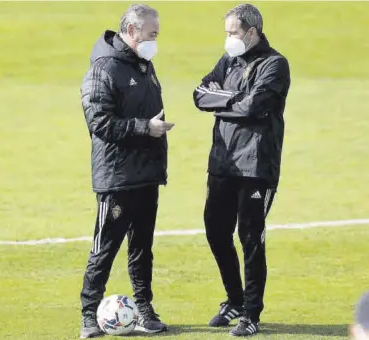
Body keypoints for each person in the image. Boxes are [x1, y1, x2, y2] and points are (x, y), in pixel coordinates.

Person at [193, 3, 290, 337]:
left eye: (233, 33)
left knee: (250, 237)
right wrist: (234, 99)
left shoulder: (275, 64)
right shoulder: (230, 60)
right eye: (227, 32)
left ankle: (251, 313)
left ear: (252, 32)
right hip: (223, 163)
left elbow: (256, 105)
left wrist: (224, 100)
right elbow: (199, 94)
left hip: (256, 167)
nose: (228, 39)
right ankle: (234, 299)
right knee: (215, 231)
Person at [79, 4, 174, 338]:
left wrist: (155, 130)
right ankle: (89, 316)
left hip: (146, 174)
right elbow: (99, 122)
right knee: (105, 247)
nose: (155, 41)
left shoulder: (144, 65)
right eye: (152, 34)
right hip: (117, 177)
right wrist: (144, 128)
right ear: (132, 31)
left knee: (142, 249)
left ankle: (144, 309)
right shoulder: (104, 68)